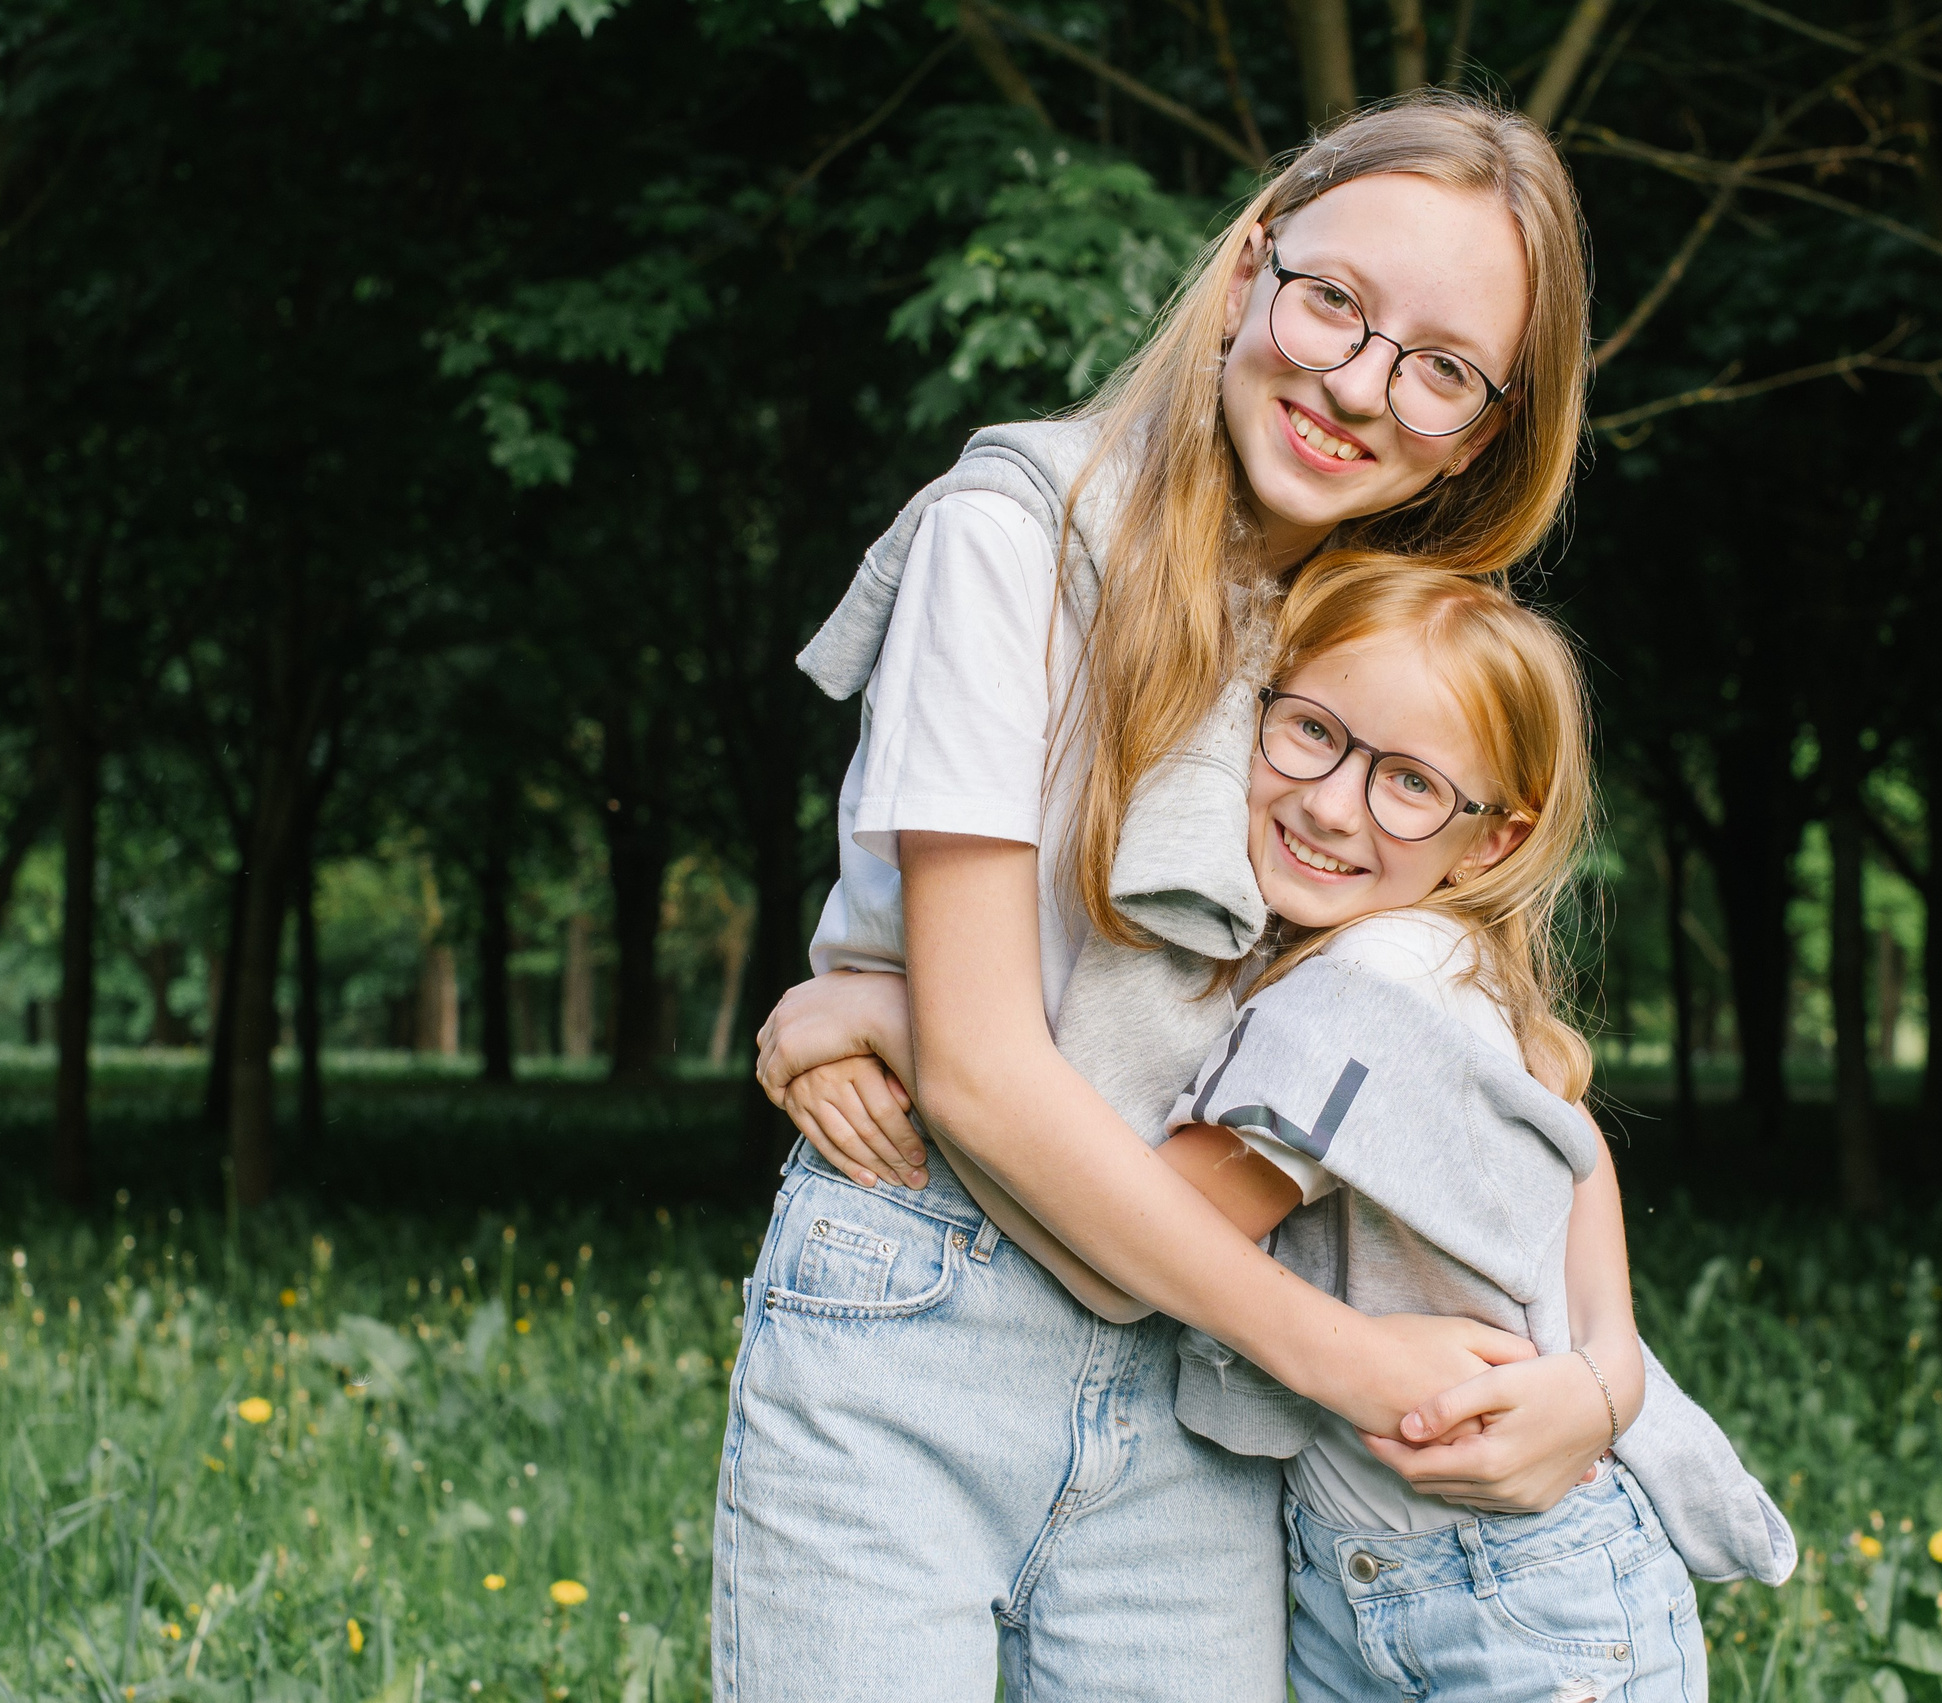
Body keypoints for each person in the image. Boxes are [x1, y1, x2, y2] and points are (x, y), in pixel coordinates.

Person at [720, 93, 1625, 1702]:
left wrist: (1606, 1381)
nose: (1358, 384)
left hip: (1205, 1396)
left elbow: (1504, 1055)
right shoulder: (1015, 540)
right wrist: (1347, 1358)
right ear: (1249, 269)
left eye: (1441, 365)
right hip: (927, 1296)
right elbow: (994, 1077)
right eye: (1337, 302)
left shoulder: (1384, 656)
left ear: (1481, 430)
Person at [782, 555, 1797, 1700]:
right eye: (1311, 730)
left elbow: (1135, 1241)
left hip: (1494, 1591)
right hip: (1403, 1564)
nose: (1331, 801)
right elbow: (1574, 1141)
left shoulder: (1364, 986)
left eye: (1411, 782)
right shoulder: (1426, 957)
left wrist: (903, 1022)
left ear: (1494, 842)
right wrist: (1606, 1354)